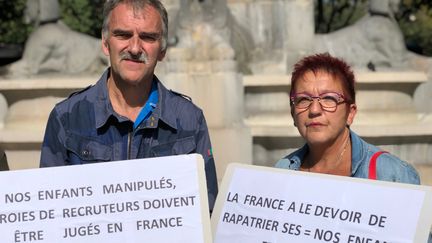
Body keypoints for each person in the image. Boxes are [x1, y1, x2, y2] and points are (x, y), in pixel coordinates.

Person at [40, 0, 218, 210]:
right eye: (123, 35)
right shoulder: (67, 117)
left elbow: (207, 212)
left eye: (148, 37)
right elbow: (50, 212)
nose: (134, 48)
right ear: (105, 43)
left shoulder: (189, 119)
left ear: (162, 50)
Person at [275, 53, 419, 183]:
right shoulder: (282, 171)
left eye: (329, 98)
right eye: (304, 100)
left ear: (350, 113)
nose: (314, 110)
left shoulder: (392, 175)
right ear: (293, 114)